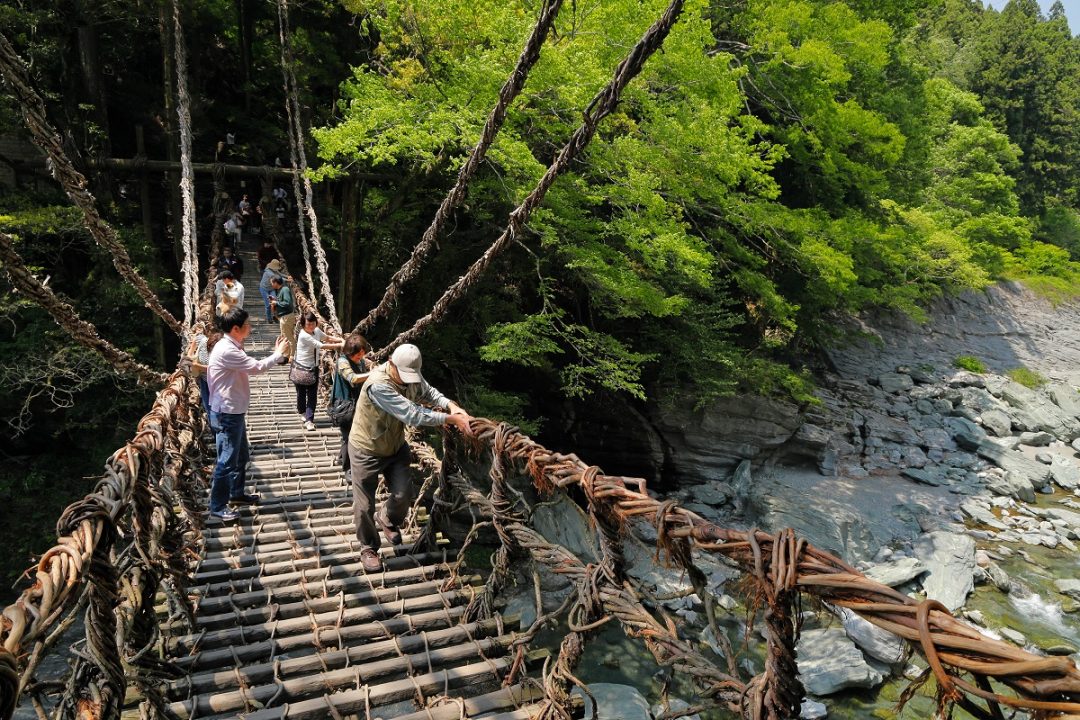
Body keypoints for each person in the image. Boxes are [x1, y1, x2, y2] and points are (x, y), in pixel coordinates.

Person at [347, 344, 473, 571]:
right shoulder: (378, 385)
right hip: (366, 448)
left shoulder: (411, 371)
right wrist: (451, 420)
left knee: (404, 493)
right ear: (392, 364)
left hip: (395, 446)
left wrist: (451, 405)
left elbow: (429, 391)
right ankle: (368, 548)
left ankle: (386, 518)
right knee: (364, 504)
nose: (408, 380)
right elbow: (412, 414)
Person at [206, 308, 289, 521]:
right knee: (226, 460)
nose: (250, 327)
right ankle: (217, 506)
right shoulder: (227, 350)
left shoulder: (232, 345)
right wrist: (278, 354)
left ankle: (236, 494)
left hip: (234, 410)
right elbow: (257, 367)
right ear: (236, 329)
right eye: (247, 324)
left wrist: (276, 355)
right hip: (227, 413)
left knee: (240, 456)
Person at [293, 311, 344, 431]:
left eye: (313, 323)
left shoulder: (316, 331)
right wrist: (341, 344)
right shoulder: (304, 336)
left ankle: (309, 420)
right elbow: (321, 345)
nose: (311, 326)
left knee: (312, 395)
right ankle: (302, 412)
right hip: (301, 368)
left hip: (313, 368)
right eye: (308, 324)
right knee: (301, 393)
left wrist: (339, 339)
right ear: (302, 325)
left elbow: (327, 338)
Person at [334, 334, 371, 470]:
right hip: (345, 405)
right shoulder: (342, 362)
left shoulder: (359, 361)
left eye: (362, 354)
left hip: (356, 404)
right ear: (350, 352)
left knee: (349, 435)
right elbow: (353, 378)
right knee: (349, 437)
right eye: (358, 355)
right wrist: (376, 372)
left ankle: (342, 458)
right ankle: (348, 469)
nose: (360, 357)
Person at [186, 322, 212, 416]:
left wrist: (194, 358)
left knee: (208, 404)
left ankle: (216, 428)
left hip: (204, 375)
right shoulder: (208, 340)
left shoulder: (198, 338)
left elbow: (189, 355)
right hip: (215, 375)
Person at [270, 275, 296, 360]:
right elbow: (283, 301)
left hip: (286, 317)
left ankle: (291, 356)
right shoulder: (281, 290)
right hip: (284, 317)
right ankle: (286, 354)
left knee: (288, 337)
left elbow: (287, 303)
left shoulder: (285, 289)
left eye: (272, 283)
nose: (271, 285)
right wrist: (275, 301)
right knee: (284, 336)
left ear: (276, 282)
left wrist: (276, 303)